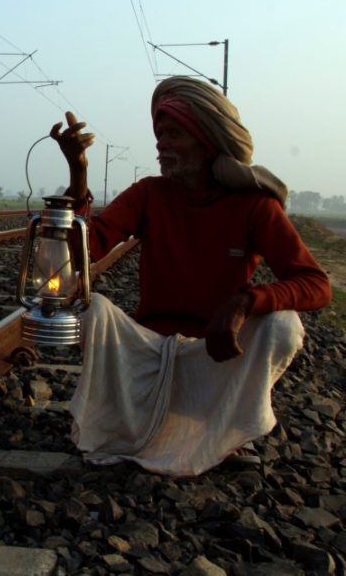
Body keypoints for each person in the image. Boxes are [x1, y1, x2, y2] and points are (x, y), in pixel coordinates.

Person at [49, 76, 331, 476]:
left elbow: (315, 283)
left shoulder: (253, 206)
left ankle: (228, 432)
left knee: (283, 325)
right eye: (160, 134)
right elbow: (83, 250)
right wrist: (78, 173)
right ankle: (127, 427)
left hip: (215, 358)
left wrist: (246, 302)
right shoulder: (150, 193)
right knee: (92, 308)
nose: (162, 144)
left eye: (174, 133)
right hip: (146, 354)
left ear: (206, 139)